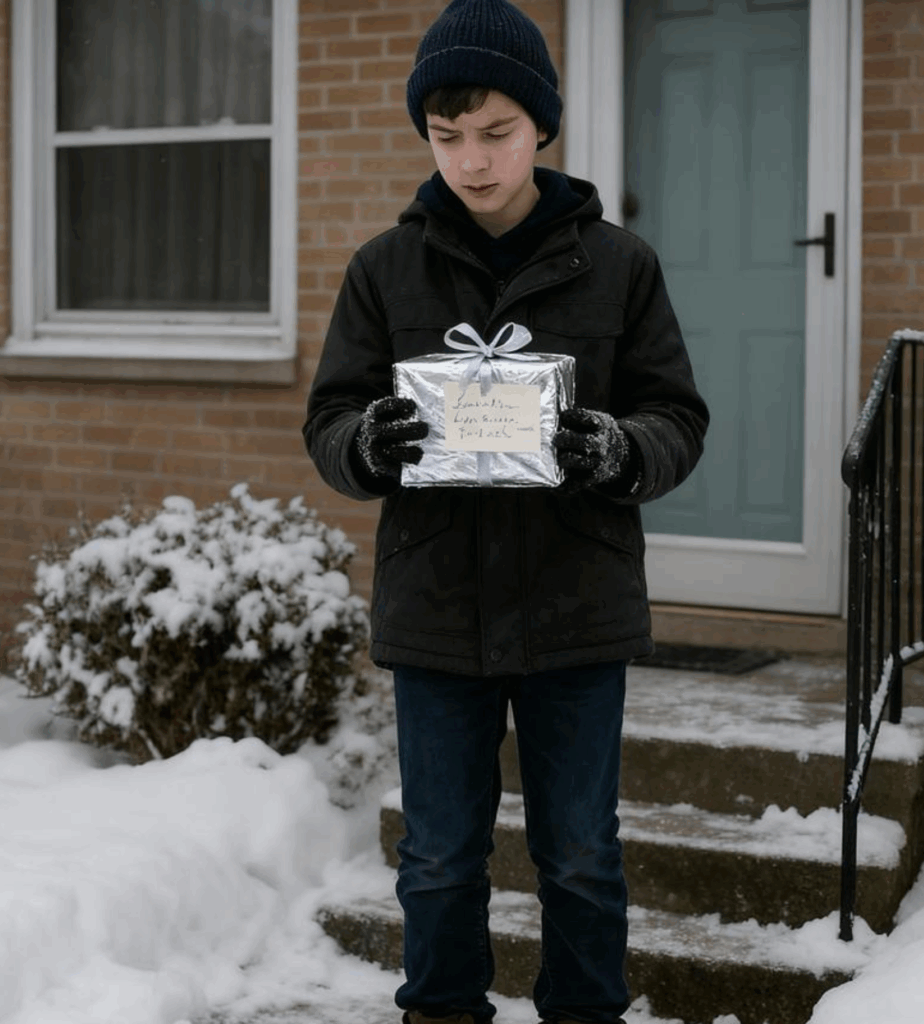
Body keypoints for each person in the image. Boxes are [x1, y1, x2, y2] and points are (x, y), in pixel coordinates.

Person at [303, 2, 709, 1022]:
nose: (472, 162)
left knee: (577, 856)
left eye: (495, 133)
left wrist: (619, 448)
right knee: (439, 858)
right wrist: (366, 445)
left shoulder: (618, 266)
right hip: (437, 612)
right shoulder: (383, 269)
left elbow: (677, 417)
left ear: (540, 126)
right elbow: (330, 421)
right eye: (447, 138)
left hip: (576, 607)